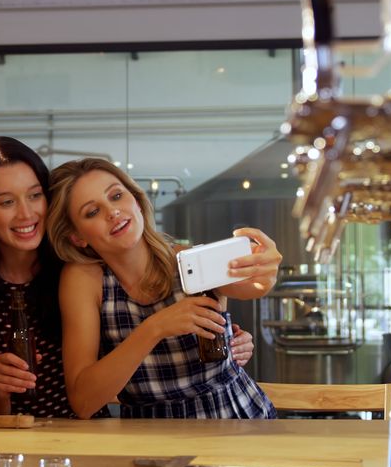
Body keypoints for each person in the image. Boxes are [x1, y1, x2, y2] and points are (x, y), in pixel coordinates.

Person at [0, 137, 257, 418]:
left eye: (35, 195)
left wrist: (230, 339)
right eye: (6, 202)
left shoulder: (74, 271)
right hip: (14, 444)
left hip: (92, 440)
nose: (26, 213)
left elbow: (252, 281)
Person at [46, 158, 280, 419]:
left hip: (234, 420)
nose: (112, 212)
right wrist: (155, 328)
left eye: (116, 196)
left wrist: (266, 273)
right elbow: (83, 401)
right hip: (149, 435)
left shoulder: (189, 260)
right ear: (77, 236)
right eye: (92, 212)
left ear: (135, 200)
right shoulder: (85, 280)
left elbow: (254, 286)